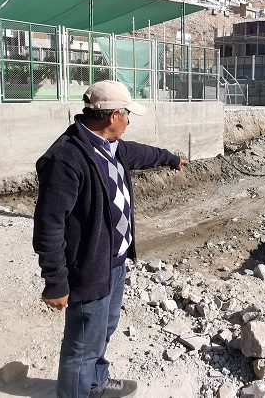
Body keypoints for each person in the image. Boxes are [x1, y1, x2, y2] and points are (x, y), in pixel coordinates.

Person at [33, 80, 188, 398]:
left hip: (115, 262)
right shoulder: (66, 159)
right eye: (127, 114)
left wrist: (170, 158)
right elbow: (49, 226)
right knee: (81, 346)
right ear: (112, 116)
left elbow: (142, 153)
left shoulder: (111, 146)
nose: (130, 121)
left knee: (103, 329)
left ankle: (96, 385)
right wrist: (56, 282)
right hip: (88, 268)